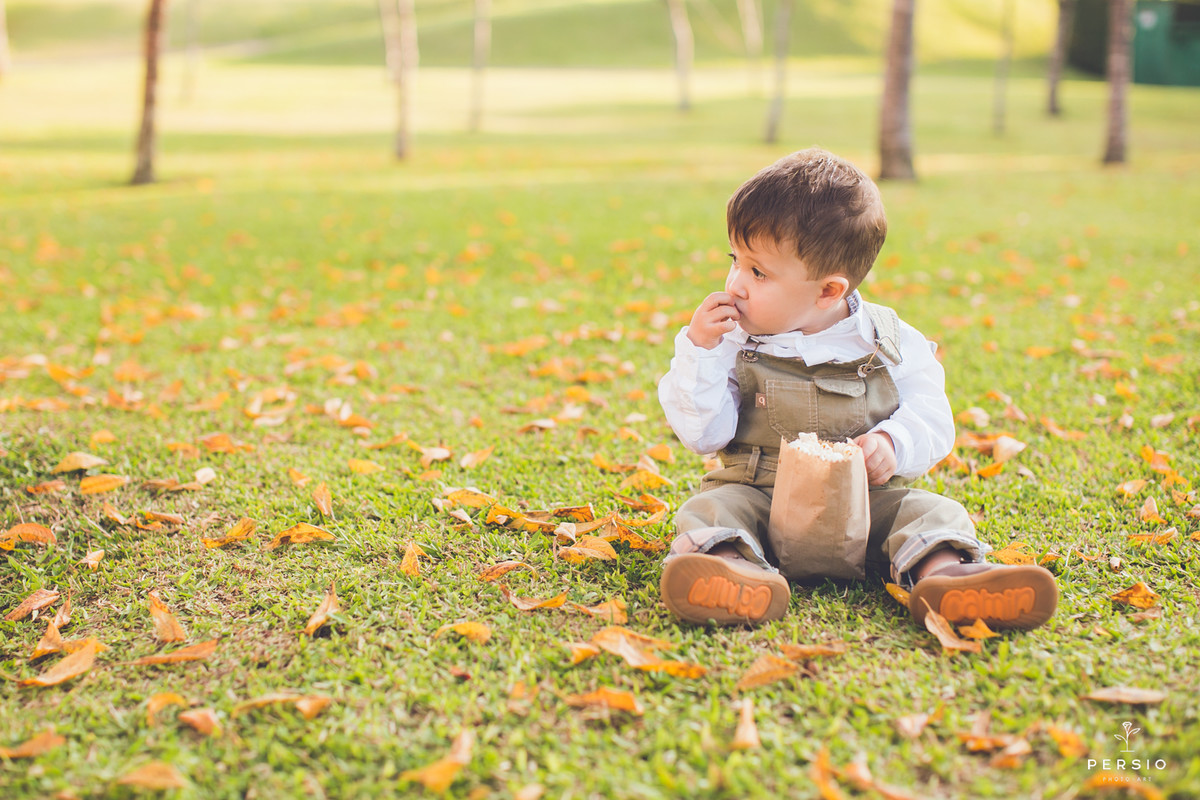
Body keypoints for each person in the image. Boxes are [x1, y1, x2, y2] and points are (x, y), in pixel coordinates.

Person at [657, 148, 1058, 630]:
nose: (736, 284)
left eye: (758, 272)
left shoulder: (889, 343)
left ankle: (948, 576)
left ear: (828, 291)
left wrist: (894, 443)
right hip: (758, 495)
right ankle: (734, 570)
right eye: (735, 261)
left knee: (934, 511)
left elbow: (932, 415)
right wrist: (699, 350)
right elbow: (705, 436)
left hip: (866, 503)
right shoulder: (728, 341)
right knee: (708, 508)